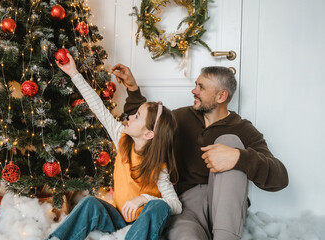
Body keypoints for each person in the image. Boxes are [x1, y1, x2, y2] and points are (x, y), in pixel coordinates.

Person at [111, 64, 289, 240]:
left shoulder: (242, 129)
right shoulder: (179, 118)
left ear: (221, 96)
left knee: (230, 141)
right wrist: (132, 89)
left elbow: (280, 177)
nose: (193, 91)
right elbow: (145, 126)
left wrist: (239, 157)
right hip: (186, 209)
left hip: (226, 208)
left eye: (201, 87)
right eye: (196, 84)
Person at [45, 55, 182, 240]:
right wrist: (74, 73)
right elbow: (99, 108)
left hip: (141, 226)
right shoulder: (122, 138)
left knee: (160, 205)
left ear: (149, 134)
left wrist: (143, 199)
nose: (130, 117)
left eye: (137, 116)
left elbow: (175, 205)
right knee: (90, 203)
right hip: (119, 219)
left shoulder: (159, 168)